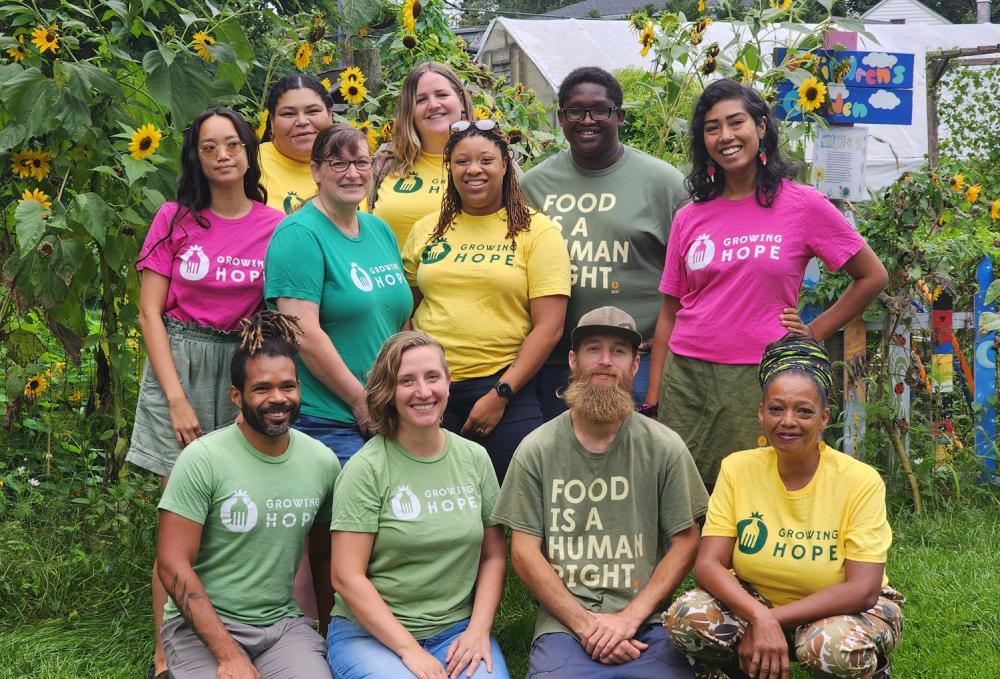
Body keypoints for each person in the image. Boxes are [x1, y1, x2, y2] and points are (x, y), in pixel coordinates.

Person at [646, 79, 888, 488]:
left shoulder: (803, 204)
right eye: (711, 127)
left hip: (759, 374)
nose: (725, 136)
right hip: (686, 378)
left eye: (735, 122)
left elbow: (872, 276)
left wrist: (812, 333)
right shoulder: (690, 217)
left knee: (754, 489)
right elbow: (669, 312)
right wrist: (654, 397)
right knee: (683, 493)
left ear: (761, 128)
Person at [125, 107, 285, 679]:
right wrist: (174, 397)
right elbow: (149, 314)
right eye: (208, 147)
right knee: (180, 509)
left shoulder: (274, 224)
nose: (221, 155)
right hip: (181, 361)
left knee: (241, 500)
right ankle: (166, 648)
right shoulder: (174, 219)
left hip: (243, 369)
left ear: (248, 151)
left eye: (232, 144)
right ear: (195, 157)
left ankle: (243, 627)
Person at [664, 335, 904, 679]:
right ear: (761, 414)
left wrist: (769, 620)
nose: (788, 421)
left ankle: (870, 668)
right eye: (776, 408)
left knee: (831, 646)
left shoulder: (859, 481)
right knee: (686, 617)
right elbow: (708, 564)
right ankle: (738, 668)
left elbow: (862, 589)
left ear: (823, 418)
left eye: (803, 411)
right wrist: (758, 614)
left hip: (840, 611)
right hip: (756, 599)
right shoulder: (737, 468)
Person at [492, 306, 709, 679]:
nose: (605, 361)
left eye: (619, 351)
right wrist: (586, 625)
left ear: (635, 365)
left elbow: (687, 542)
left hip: (648, 624)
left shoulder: (664, 446)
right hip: (564, 627)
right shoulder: (537, 449)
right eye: (594, 349)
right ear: (574, 361)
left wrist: (629, 618)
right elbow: (524, 554)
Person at [157, 311, 340, 679]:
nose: (278, 399)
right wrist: (229, 656)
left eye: (288, 386)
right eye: (262, 389)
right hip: (200, 628)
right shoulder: (203, 459)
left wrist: (331, 634)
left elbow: (323, 556)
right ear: (237, 396)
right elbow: (172, 563)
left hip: (282, 626)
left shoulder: (321, 462)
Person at [327, 331, 510, 679]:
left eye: (432, 377)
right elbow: (346, 576)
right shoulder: (366, 469)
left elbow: (494, 555)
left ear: (448, 382)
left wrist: (478, 631)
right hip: (370, 635)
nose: (423, 392)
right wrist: (409, 651)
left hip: (456, 631)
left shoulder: (474, 458)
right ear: (388, 391)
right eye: (406, 381)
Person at [401, 119, 571, 482]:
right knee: (434, 501)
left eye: (485, 160)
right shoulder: (427, 229)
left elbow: (550, 326)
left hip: (503, 384)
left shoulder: (537, 230)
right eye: (461, 161)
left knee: (519, 502)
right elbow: (407, 312)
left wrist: (500, 395)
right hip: (429, 389)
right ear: (450, 168)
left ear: (506, 165)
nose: (473, 170)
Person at [521, 66, 687, 420]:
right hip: (556, 362)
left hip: (635, 361)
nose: (587, 120)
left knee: (635, 465)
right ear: (561, 118)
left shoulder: (663, 184)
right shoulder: (534, 185)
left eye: (600, 109)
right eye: (575, 111)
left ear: (620, 116)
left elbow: (693, 275)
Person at [265, 124, 412, 467]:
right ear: (315, 170)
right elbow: (303, 333)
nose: (353, 174)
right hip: (331, 420)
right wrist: (361, 401)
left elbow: (400, 319)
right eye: (338, 164)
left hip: (388, 412)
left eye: (361, 163)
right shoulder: (298, 235)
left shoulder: (378, 229)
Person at [369, 61, 475, 248]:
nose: (433, 105)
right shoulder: (385, 162)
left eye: (442, 94)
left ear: (461, 100)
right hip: (390, 276)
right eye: (421, 100)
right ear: (409, 110)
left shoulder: (494, 162)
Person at [259, 73, 335, 214]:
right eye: (288, 114)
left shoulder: (355, 163)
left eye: (312, 111)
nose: (302, 121)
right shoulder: (249, 166)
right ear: (272, 121)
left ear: (330, 115)